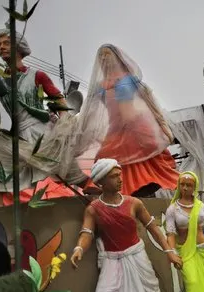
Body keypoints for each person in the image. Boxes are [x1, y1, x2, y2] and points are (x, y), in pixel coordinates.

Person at [70, 158, 182, 292]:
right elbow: (86, 233)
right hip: (112, 258)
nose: (120, 179)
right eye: (114, 176)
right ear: (101, 182)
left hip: (135, 254)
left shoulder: (134, 203)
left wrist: (169, 252)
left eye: (119, 174)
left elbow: (153, 228)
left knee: (152, 289)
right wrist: (78, 249)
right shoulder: (94, 209)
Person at [0, 29, 87, 206]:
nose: (1, 47)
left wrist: (65, 125)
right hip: (18, 135)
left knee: (67, 170)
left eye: (6, 43)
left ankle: (98, 193)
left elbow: (59, 101)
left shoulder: (37, 76)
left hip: (43, 132)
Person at [76, 44, 179, 198]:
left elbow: (149, 102)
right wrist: (80, 131)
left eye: (107, 54)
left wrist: (163, 126)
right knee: (106, 159)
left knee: (147, 161)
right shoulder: (101, 86)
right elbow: (92, 111)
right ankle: (119, 192)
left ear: (117, 57)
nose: (104, 58)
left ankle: (142, 188)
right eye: (101, 56)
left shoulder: (130, 79)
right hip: (115, 130)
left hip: (136, 127)